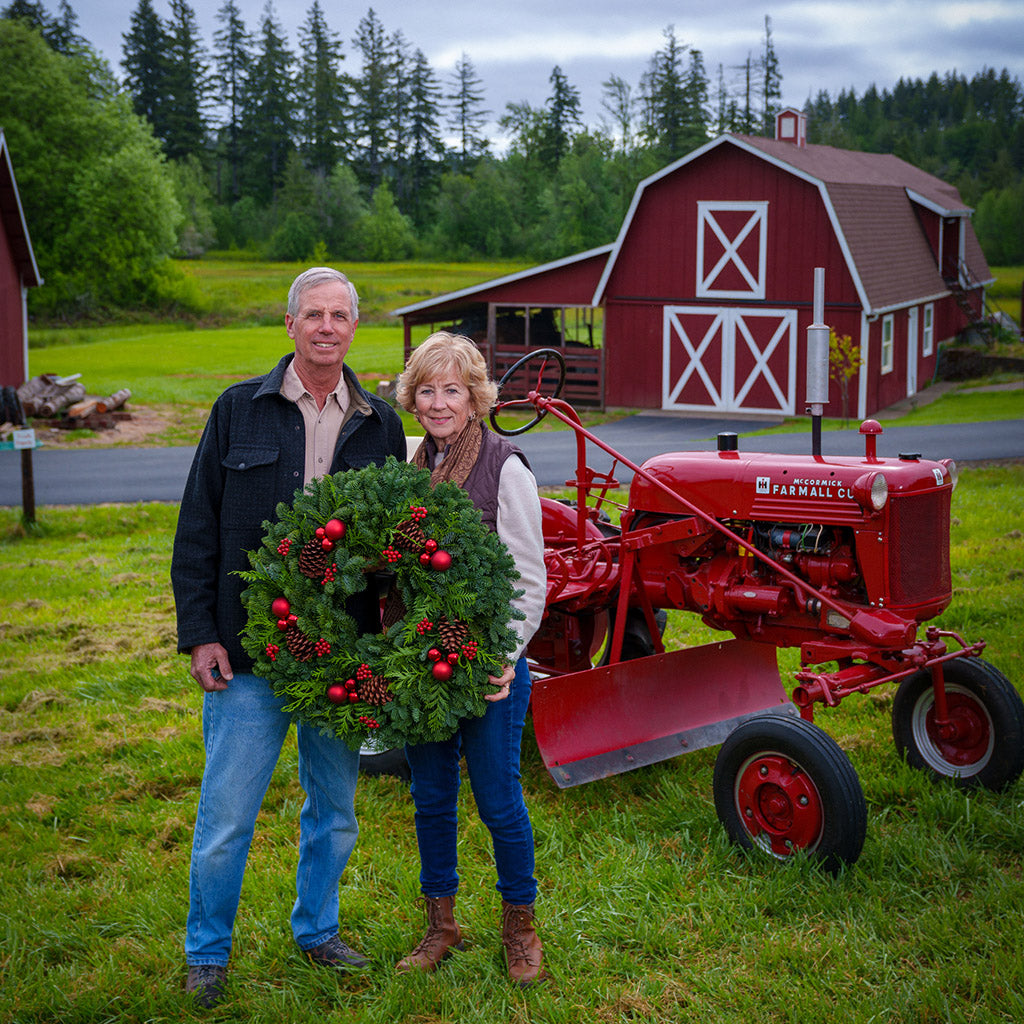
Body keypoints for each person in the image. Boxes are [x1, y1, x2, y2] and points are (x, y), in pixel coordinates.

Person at [171, 267, 407, 1009]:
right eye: (314, 314)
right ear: (290, 324)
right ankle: (207, 954)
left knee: (334, 809)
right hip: (247, 653)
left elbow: (394, 546)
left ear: (354, 327)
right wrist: (200, 634)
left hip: (339, 652)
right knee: (226, 816)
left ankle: (318, 930)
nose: (327, 326)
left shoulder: (381, 423)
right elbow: (198, 527)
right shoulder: (239, 409)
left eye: (340, 314)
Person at [393, 331, 549, 987]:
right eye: (426, 390)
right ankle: (442, 926)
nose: (437, 403)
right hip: (423, 668)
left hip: (488, 671)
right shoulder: (404, 466)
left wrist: (505, 654)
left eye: (451, 389)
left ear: (475, 395)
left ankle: (521, 929)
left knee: (498, 801)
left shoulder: (504, 468)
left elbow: (529, 578)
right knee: (430, 799)